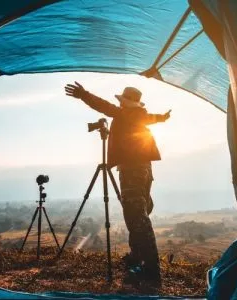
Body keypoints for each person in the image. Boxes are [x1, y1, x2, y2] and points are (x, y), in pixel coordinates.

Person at [64, 82, 171, 283]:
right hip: (144, 169)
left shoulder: (125, 114)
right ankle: (136, 256)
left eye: (124, 102)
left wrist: (84, 94)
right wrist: (163, 118)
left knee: (136, 217)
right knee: (138, 213)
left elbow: (104, 106)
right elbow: (153, 118)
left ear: (129, 103)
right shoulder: (139, 115)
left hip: (132, 170)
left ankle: (151, 271)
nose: (120, 105)